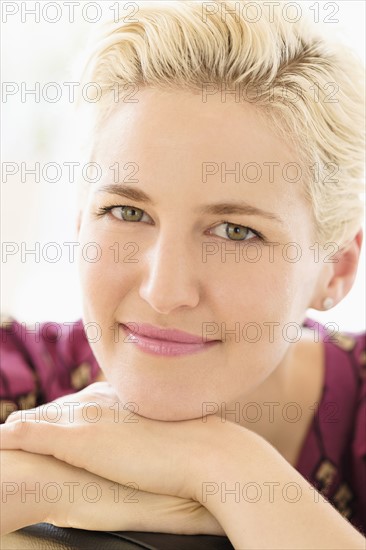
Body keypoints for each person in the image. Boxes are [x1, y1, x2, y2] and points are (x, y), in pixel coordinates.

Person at [1, 1, 365, 547]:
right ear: (80, 224)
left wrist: (224, 466)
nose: (164, 291)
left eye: (235, 231)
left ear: (334, 268)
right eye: (128, 213)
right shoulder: (20, 374)